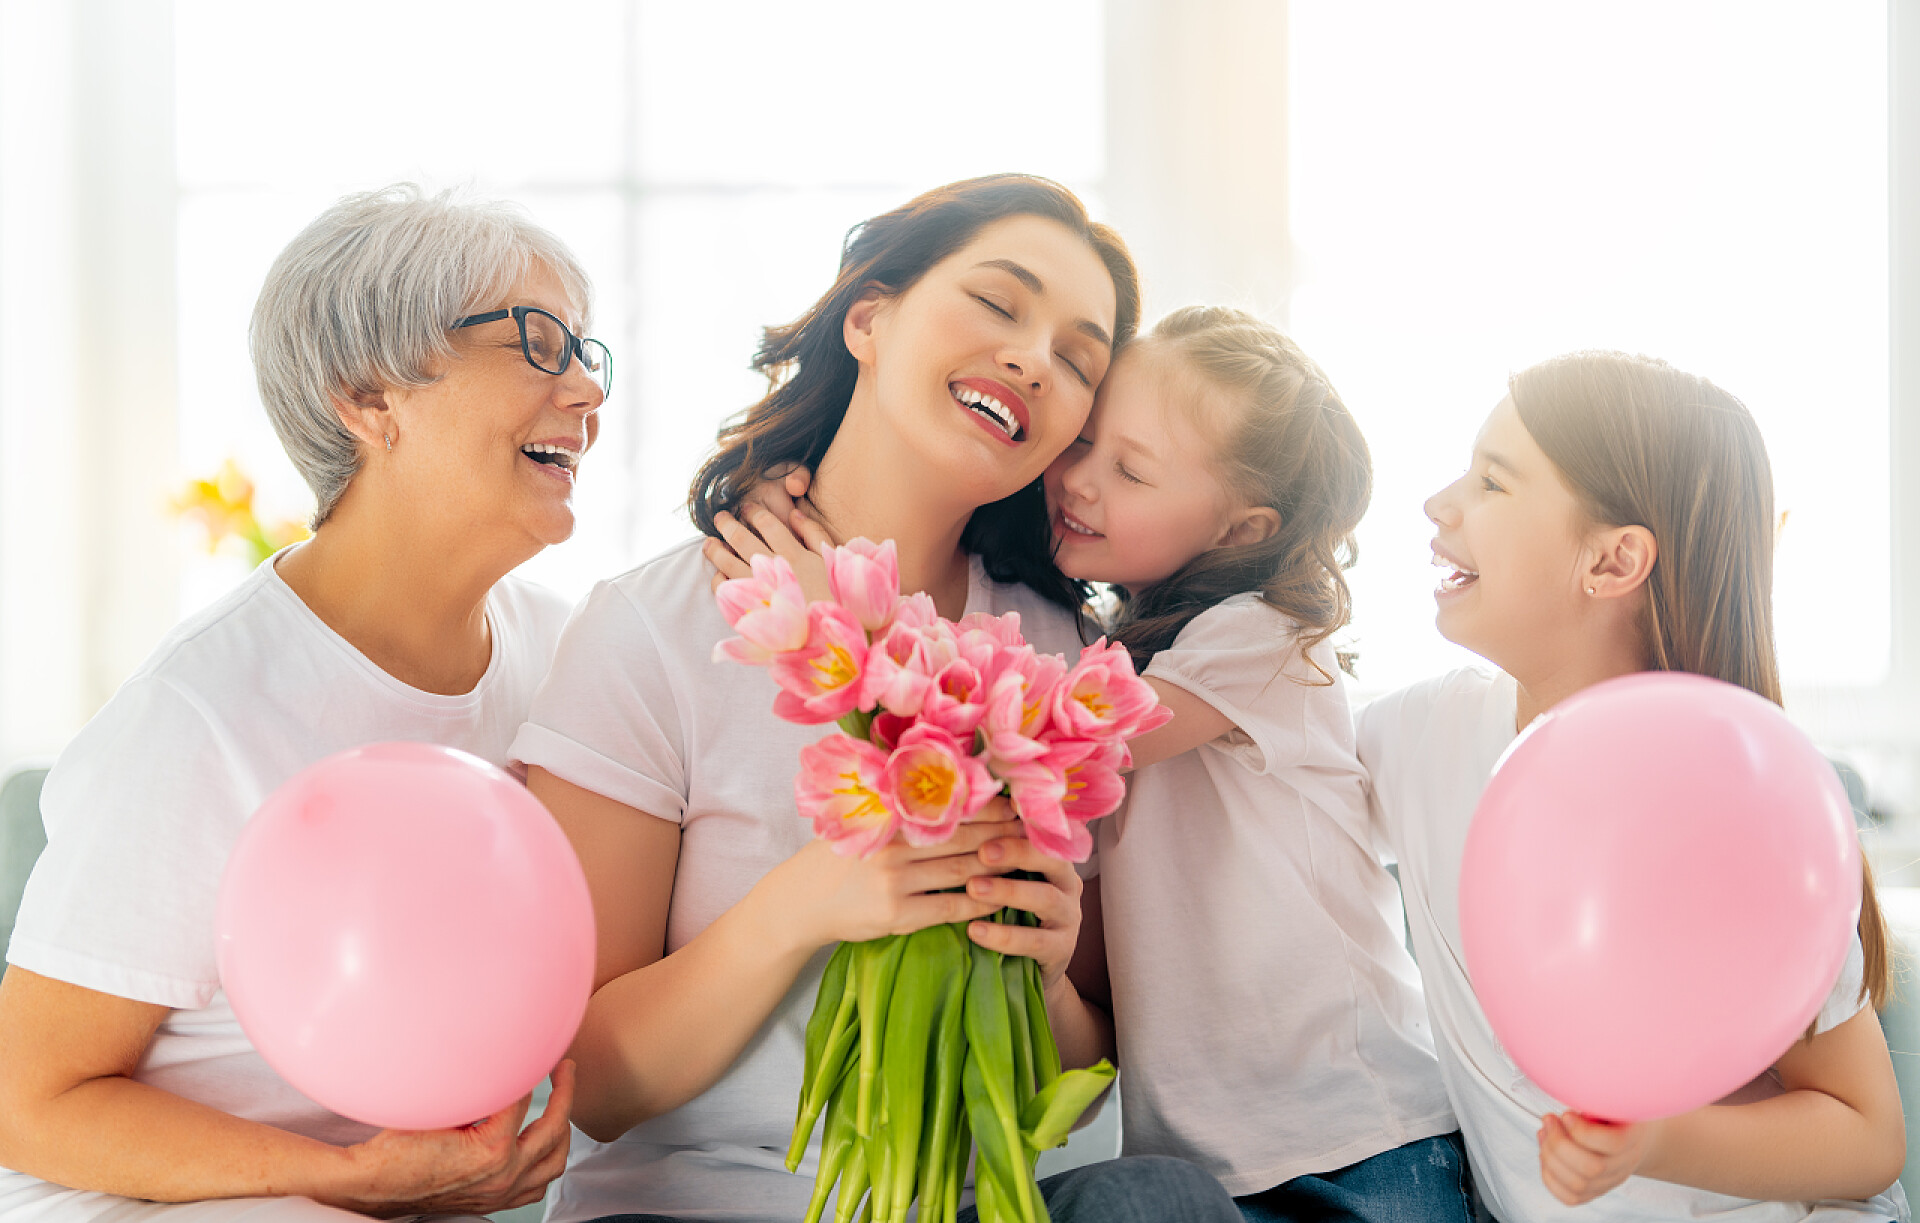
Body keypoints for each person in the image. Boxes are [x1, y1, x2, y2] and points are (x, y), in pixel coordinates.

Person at [514, 175, 1243, 1223]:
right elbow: (593, 1084)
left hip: (966, 1203)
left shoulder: (1066, 662)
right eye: (1000, 303)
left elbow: (1079, 1078)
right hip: (704, 1206)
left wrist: (1040, 973)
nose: (1035, 358)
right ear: (869, 316)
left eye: (1079, 360)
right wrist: (805, 904)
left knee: (1159, 1199)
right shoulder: (654, 627)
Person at [0, 185, 605, 1222]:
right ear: (369, 397)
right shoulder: (201, 709)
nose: (587, 390)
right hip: (148, 1198)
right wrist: (353, 1179)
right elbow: (28, 1105)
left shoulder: (568, 652)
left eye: (588, 352)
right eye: (538, 345)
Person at [1357, 351, 1908, 1221]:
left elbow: (1867, 1138)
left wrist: (1655, 1137)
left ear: (1613, 561)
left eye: (1494, 482)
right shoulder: (1416, 737)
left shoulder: (1739, 803)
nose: (1439, 505)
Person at [1045, 306, 1465, 1222]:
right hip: (1207, 1154)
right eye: (1081, 441)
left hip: (1362, 1133)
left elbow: (1077, 738)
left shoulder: (1262, 634)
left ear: (1241, 530)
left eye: (1129, 468)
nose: (1075, 478)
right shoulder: (1128, 651)